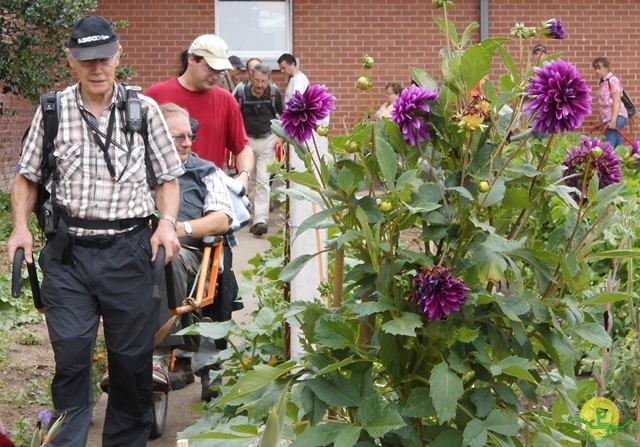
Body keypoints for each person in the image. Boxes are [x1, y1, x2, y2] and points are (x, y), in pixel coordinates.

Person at [6, 16, 184, 447]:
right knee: (70, 358)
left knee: (130, 363)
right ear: (72, 61)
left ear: (118, 56)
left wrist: (166, 223)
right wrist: (19, 229)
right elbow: (27, 177)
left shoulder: (146, 110)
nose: (97, 68)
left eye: (104, 58)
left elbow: (167, 179)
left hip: (129, 251)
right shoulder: (53, 110)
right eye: (87, 60)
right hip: (68, 255)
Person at [155, 103, 236, 400]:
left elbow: (222, 219)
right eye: (179, 137)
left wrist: (180, 229)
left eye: (190, 136)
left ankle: (160, 354)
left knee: (167, 258)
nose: (188, 143)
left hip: (188, 253)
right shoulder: (137, 169)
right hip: (135, 251)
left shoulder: (205, 171)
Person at [145, 35, 254, 185]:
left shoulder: (226, 100)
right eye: (210, 68)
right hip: (162, 188)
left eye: (220, 71)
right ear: (191, 59)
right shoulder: (154, 96)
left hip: (209, 193)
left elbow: (242, 147)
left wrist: (244, 176)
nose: (215, 76)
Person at [235, 64, 284, 237]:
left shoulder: (273, 93)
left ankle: (260, 221)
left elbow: (283, 115)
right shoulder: (241, 93)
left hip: (268, 140)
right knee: (250, 179)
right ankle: (250, 214)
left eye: (263, 81)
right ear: (250, 77)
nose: (260, 85)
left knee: (263, 180)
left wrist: (280, 136)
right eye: (256, 80)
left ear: (269, 80)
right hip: (246, 140)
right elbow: (232, 116)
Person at [593, 57, 628, 148]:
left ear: (607, 67)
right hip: (608, 119)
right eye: (595, 68)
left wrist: (613, 121)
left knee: (607, 147)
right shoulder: (603, 82)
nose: (597, 71)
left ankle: (607, 161)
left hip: (617, 116)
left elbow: (617, 101)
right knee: (618, 146)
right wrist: (602, 122)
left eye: (599, 68)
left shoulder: (613, 80)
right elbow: (603, 105)